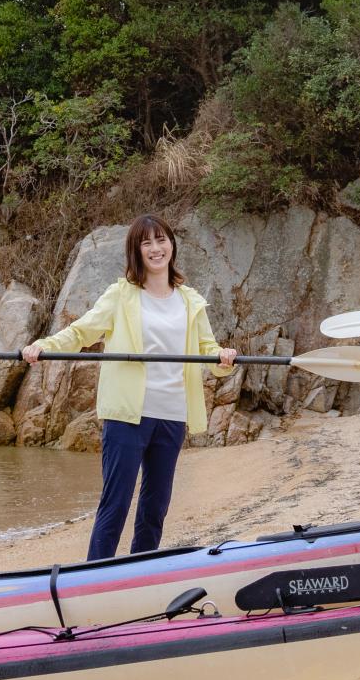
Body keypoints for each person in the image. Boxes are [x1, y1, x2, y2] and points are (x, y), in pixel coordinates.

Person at [23, 215, 237, 560]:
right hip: (127, 415)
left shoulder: (190, 301)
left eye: (161, 240)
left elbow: (208, 350)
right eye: (146, 242)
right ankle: (94, 576)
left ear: (172, 244)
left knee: (155, 508)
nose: (156, 248)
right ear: (136, 251)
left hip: (171, 415)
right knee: (116, 502)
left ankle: (141, 573)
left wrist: (223, 357)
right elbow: (81, 332)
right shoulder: (121, 295)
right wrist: (43, 346)